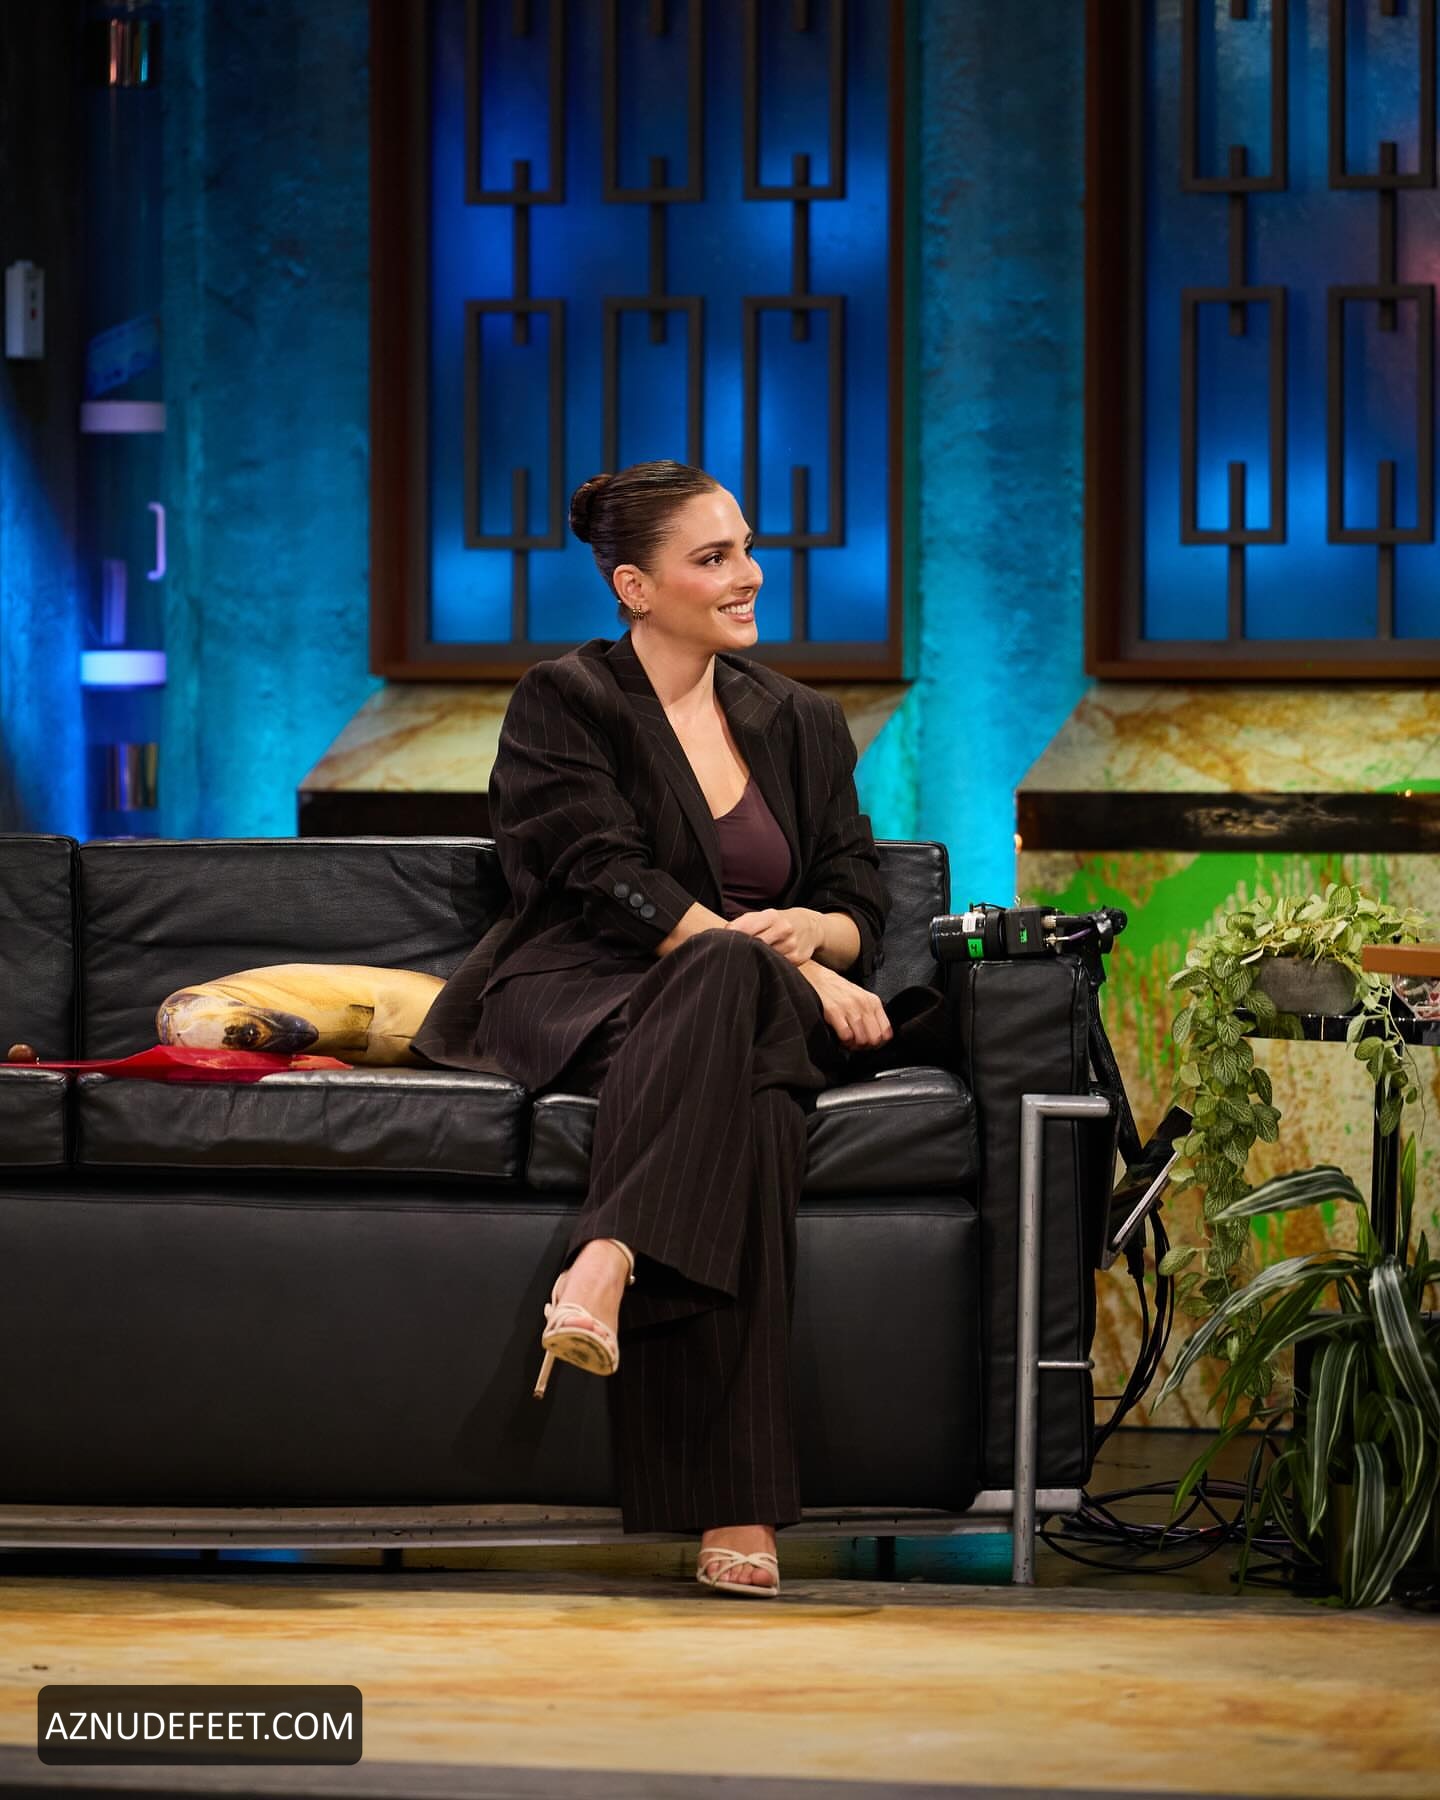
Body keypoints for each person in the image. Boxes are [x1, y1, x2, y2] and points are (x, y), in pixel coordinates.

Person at [413, 459, 946, 1598]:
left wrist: (813, 931)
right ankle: (736, 1506)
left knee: (745, 1047)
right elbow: (600, 875)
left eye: (747, 547)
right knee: (744, 1052)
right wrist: (788, 970)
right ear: (635, 586)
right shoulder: (567, 700)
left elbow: (858, 895)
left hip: (744, 1010)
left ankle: (605, 1261)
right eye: (714, 558)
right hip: (590, 994)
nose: (750, 574)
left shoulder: (800, 719)